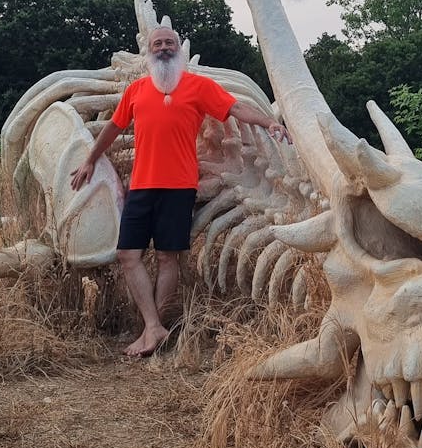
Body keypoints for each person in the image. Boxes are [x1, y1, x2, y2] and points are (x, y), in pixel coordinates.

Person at [70, 26, 290, 358]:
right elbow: (114, 128)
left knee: (166, 257)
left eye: (169, 43)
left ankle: (151, 331)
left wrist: (268, 122)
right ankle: (153, 325)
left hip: (179, 186)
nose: (163, 48)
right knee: (128, 255)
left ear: (179, 50)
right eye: (157, 44)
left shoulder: (198, 87)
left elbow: (236, 109)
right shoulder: (136, 90)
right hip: (141, 186)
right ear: (148, 51)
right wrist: (90, 160)